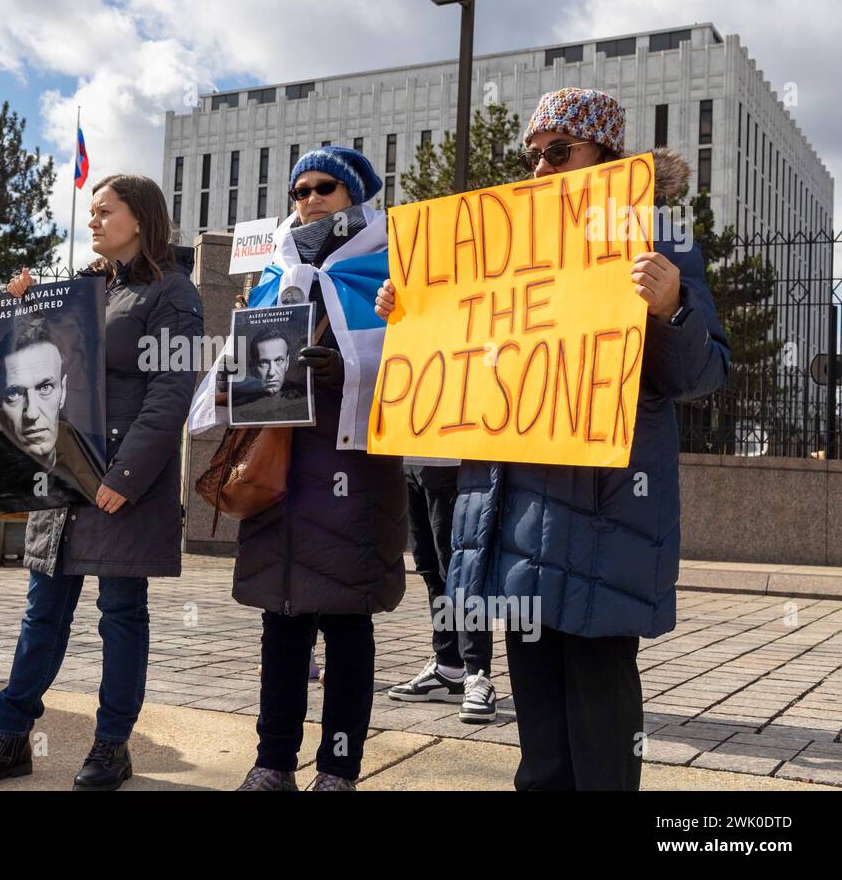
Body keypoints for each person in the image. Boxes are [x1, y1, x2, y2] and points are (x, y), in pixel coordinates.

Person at [374, 87, 731, 789]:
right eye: (533, 154)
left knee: (599, 713)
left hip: (605, 514)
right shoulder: (504, 250)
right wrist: (409, 310)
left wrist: (673, 307)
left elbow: (703, 375)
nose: (539, 167)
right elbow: (469, 354)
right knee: (537, 723)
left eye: (558, 151)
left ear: (606, 154)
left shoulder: (659, 241)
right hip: (516, 509)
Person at [0, 174, 204, 792]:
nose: (92, 221)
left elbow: (172, 392)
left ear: (139, 218)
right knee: (43, 611)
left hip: (121, 484)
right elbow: (10, 352)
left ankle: (111, 747)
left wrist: (127, 474)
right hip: (63, 478)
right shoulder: (83, 289)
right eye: (90, 212)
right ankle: (10, 738)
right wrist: (18, 303)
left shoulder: (173, 294)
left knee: (121, 613)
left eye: (104, 211)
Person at [189, 145, 409, 791]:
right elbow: (236, 384)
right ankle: (272, 763)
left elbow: (422, 367)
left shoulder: (392, 271)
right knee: (280, 629)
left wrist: (350, 374)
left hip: (356, 481)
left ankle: (339, 770)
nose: (309, 199)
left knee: (347, 632)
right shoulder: (270, 277)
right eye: (299, 190)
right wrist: (237, 381)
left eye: (325, 188)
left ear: (355, 198)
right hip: (277, 480)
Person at [387, 456, 496, 722]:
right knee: (430, 568)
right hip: (411, 455)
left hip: (452, 457)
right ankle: (448, 667)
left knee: (462, 569)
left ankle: (477, 672)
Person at [0, 319, 105, 513]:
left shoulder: (97, 464)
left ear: (62, 392)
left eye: (45, 388)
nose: (32, 413)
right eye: (14, 394)